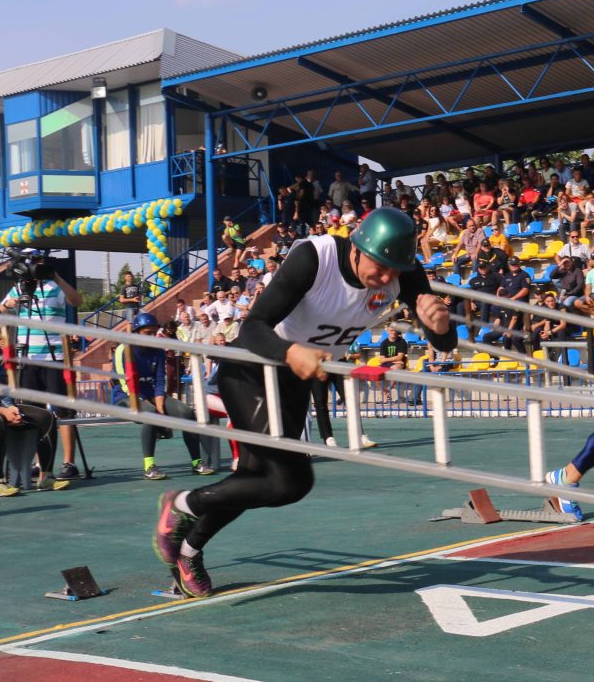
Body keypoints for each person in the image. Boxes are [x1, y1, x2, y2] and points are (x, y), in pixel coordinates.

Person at [151, 207, 454, 599]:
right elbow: (253, 326)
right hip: (252, 368)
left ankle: (188, 548)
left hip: (296, 378)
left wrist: (442, 325)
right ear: (359, 247)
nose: (385, 280)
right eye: (379, 269)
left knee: (262, 481)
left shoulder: (404, 271)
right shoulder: (316, 257)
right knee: (285, 481)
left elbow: (444, 342)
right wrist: (291, 352)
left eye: (394, 272)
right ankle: (181, 504)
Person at [0, 251, 83, 478]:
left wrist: (56, 277)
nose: (35, 266)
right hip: (28, 358)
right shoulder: (19, 287)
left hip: (55, 357)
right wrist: (10, 302)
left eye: (37, 262)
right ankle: (39, 462)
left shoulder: (54, 286)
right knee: (33, 412)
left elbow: (77, 301)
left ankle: (69, 463)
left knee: (63, 410)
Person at [115, 312, 214, 480]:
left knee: (187, 413)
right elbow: (128, 385)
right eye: (148, 333)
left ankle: (197, 462)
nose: (153, 336)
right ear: (137, 332)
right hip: (126, 397)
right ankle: (149, 466)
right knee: (151, 415)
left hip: (152, 396)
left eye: (155, 332)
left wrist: (161, 410)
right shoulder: (124, 349)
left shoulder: (158, 350)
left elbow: (160, 382)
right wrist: (157, 413)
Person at [0, 306, 66, 496]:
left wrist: (11, 407)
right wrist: (2, 411)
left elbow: (3, 387)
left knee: (46, 417)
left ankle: (46, 476)